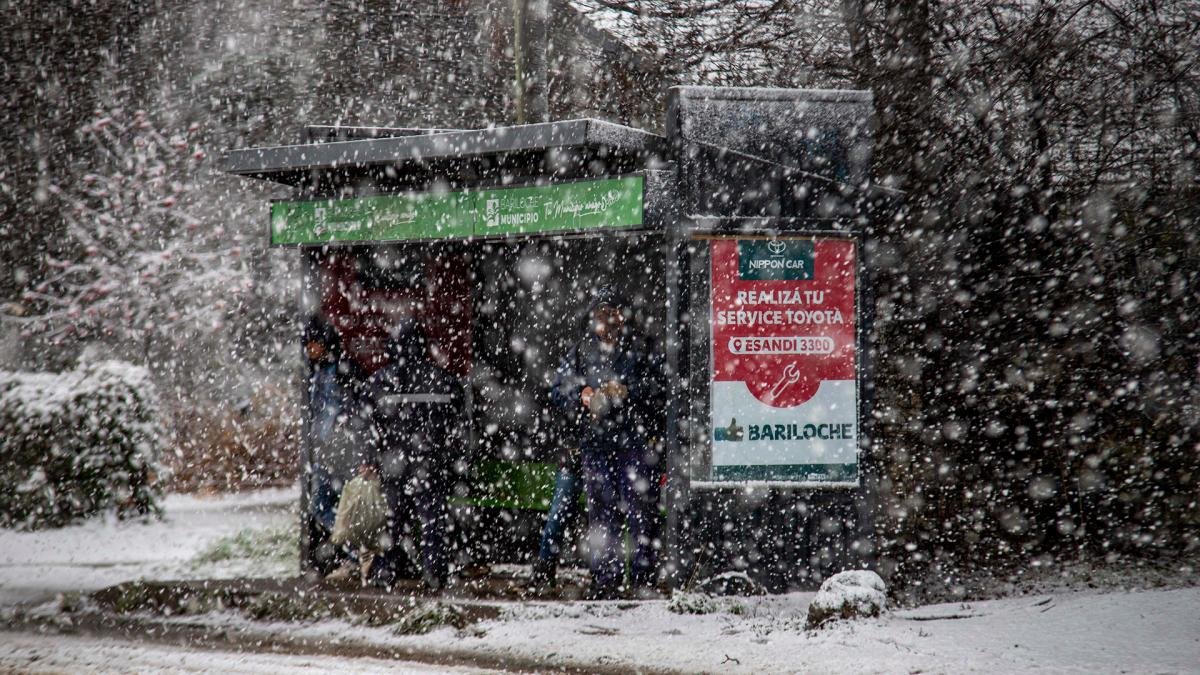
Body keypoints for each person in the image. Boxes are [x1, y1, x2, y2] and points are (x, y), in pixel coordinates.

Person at [550, 286, 663, 598]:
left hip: (635, 444)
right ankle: (605, 580)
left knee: (641, 513)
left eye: (612, 313)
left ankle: (643, 580)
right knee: (601, 516)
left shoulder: (641, 348)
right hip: (596, 445)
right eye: (601, 314)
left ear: (622, 317)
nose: (607, 321)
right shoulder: (579, 351)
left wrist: (628, 390)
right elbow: (558, 389)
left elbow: (661, 386)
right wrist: (583, 394)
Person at [361, 297, 464, 591]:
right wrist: (446, 452)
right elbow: (456, 421)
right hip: (429, 463)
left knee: (393, 522)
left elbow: (370, 425)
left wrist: (371, 457)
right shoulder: (442, 379)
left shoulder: (381, 381)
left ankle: (387, 573)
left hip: (394, 463)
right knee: (432, 522)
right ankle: (434, 573)